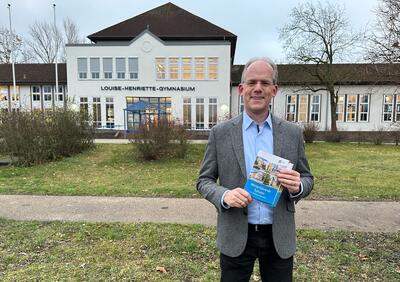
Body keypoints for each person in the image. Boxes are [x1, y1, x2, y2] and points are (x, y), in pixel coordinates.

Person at [197, 57, 314, 282]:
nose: (257, 89)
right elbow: (204, 180)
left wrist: (298, 186)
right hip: (236, 234)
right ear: (241, 89)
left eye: (264, 83)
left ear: (274, 90)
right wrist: (224, 195)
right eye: (251, 83)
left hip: (278, 236)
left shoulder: (292, 134)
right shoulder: (220, 133)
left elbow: (307, 177)